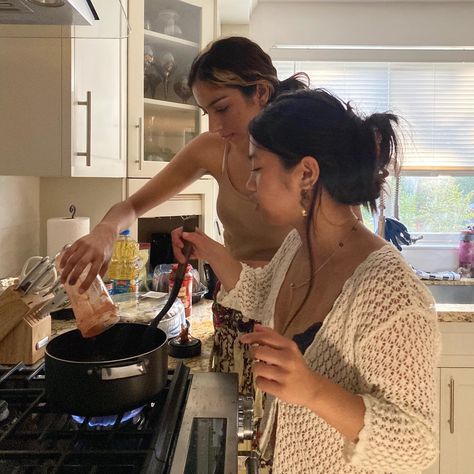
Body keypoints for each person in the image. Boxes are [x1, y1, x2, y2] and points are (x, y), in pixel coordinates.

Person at [175, 89, 441, 473]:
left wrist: (314, 389)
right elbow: (263, 294)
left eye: (257, 168)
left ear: (306, 173)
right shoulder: (297, 245)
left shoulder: (390, 292)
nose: (250, 184)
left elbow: (416, 445)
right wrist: (211, 252)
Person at [58, 36, 308, 396]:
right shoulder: (212, 150)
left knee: (285, 433)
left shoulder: (303, 156)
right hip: (235, 312)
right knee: (233, 422)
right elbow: (131, 206)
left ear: (262, 93)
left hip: (293, 314)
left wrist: (214, 252)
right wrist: (104, 232)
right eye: (207, 112)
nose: (213, 126)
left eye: (222, 108)